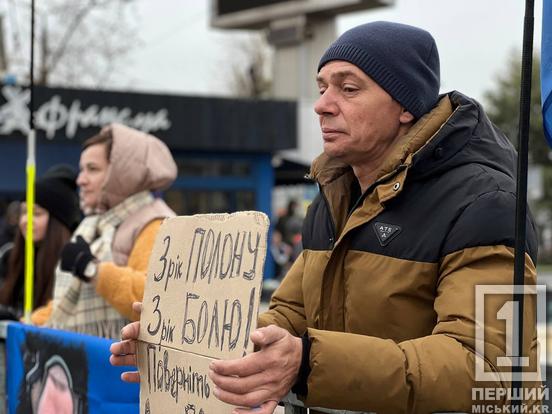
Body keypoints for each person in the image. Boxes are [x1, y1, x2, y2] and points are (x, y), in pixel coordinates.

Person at [110, 22, 540, 413]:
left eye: (348, 89)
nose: (322, 105)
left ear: (406, 107)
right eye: (321, 88)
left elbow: (492, 373)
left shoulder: (488, 203)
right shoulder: (334, 197)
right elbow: (288, 317)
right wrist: (186, 344)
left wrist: (306, 363)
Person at [32, 123, 176, 339]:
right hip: (102, 356)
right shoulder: (98, 225)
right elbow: (68, 303)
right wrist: (26, 323)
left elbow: (154, 299)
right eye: (82, 169)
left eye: (93, 169)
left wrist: (91, 268)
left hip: (131, 366)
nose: (80, 179)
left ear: (122, 174)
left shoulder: (155, 223)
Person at [0, 165, 81, 320]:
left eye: (36, 214)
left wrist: (17, 323)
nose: (26, 221)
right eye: (24, 212)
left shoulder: (71, 266)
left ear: (58, 223)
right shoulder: (8, 257)